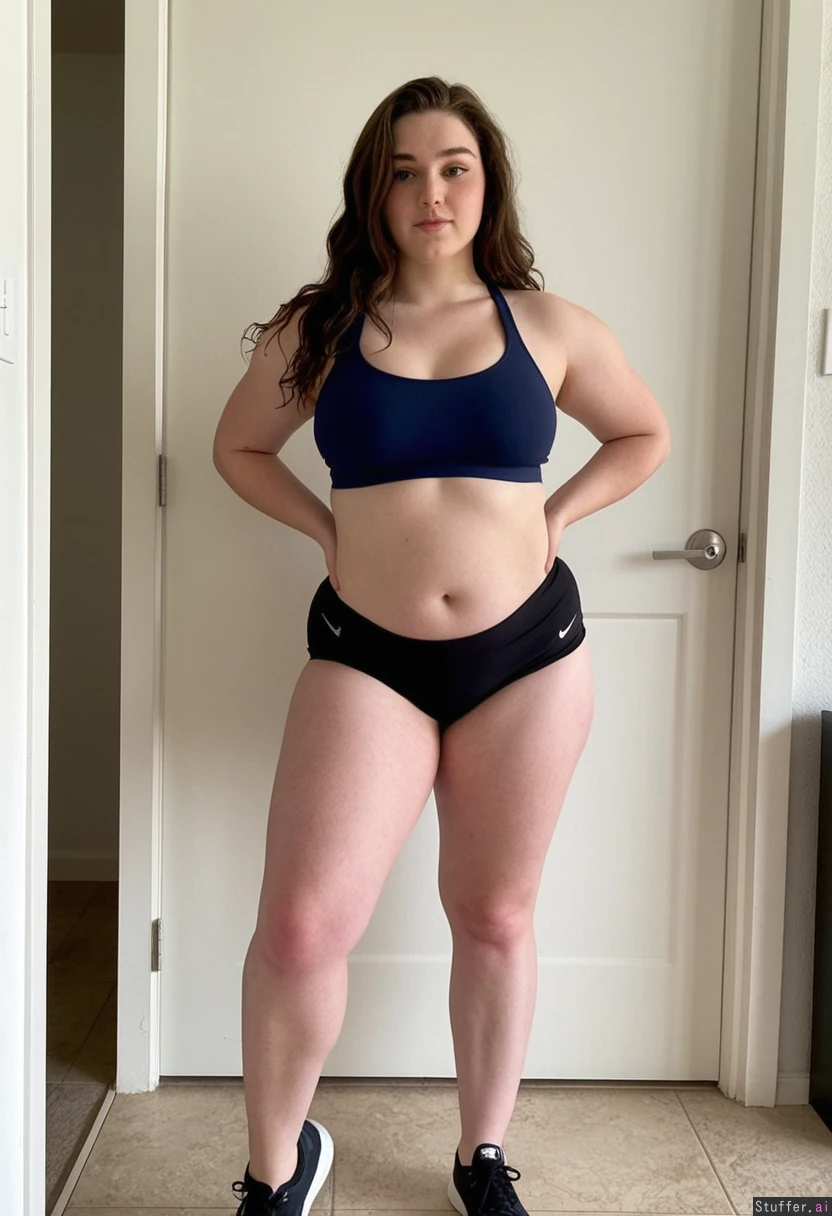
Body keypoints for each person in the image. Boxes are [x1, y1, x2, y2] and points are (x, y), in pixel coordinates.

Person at [213, 76, 670, 1216]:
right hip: (367, 655)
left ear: (486, 183)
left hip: (528, 657)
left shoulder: (548, 325)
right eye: (406, 171)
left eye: (454, 167)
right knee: (301, 925)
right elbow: (239, 448)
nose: (432, 191)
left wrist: (556, 517)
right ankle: (274, 1169)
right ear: (374, 190)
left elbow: (642, 431)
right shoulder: (321, 328)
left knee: (494, 912)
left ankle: (482, 1153)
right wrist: (326, 532)